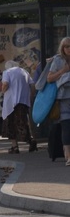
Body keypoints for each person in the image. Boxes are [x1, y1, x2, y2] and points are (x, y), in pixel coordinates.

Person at [1, 60, 37, 154]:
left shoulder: (7, 72)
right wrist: (31, 96)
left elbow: (5, 84)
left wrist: (3, 91)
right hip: (23, 101)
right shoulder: (24, 71)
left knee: (10, 124)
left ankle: (15, 146)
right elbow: (32, 86)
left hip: (11, 103)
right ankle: (31, 140)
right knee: (23, 121)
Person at [47, 36, 70, 165]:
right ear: (62, 48)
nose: (69, 49)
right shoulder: (58, 60)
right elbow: (49, 78)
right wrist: (64, 71)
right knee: (66, 126)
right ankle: (68, 156)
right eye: (66, 46)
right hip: (64, 98)